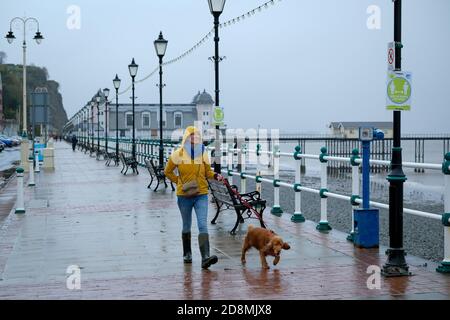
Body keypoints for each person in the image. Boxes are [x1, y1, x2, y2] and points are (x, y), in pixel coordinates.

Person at [164, 126, 224, 269]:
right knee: (186, 225)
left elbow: (208, 171)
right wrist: (178, 182)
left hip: (201, 194)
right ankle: (187, 254)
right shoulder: (178, 154)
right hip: (184, 195)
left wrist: (216, 175)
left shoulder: (203, 153)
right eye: (191, 135)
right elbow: (167, 171)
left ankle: (205, 257)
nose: (194, 138)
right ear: (186, 137)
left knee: (202, 224)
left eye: (196, 135)